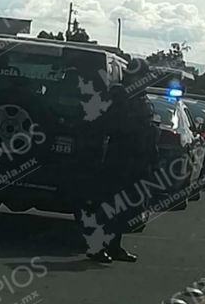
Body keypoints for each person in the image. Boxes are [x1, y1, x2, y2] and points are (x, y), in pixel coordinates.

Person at [77, 59, 157, 264]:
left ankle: (114, 246)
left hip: (137, 160)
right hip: (119, 158)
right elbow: (112, 125)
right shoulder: (119, 95)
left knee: (126, 208)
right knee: (109, 206)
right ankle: (97, 248)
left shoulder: (140, 97)